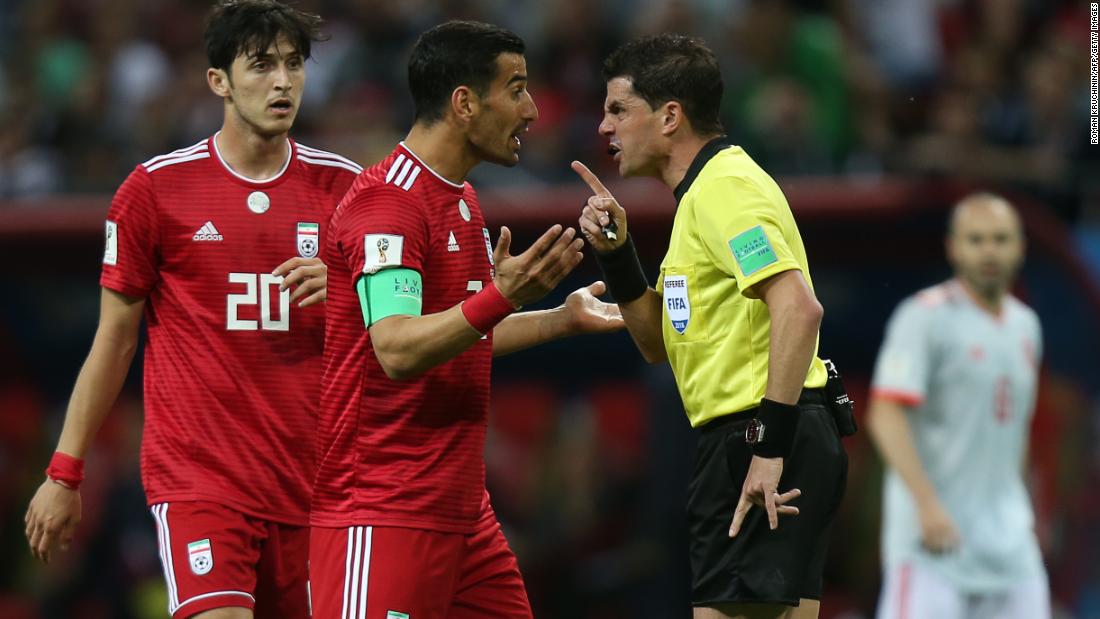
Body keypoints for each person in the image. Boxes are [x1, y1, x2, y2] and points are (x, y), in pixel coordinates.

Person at [23, 2, 361, 617]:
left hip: (321, 488)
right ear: (218, 82)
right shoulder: (155, 191)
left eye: (293, 65)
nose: (282, 81)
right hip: (202, 482)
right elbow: (114, 342)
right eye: (260, 65)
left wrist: (350, 287)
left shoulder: (349, 190)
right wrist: (64, 472)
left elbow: (396, 330)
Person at [308, 20, 624, 619]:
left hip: (462, 516)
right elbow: (397, 349)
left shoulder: (460, 198)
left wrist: (560, 319)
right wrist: (501, 296)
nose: (532, 109)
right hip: (382, 512)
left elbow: (461, 334)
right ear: (463, 103)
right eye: (516, 88)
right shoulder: (388, 206)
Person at [572, 34, 850, 619]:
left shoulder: (725, 189)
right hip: (768, 433)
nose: (604, 127)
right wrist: (618, 255)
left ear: (670, 116)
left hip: (760, 435)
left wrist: (769, 446)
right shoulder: (701, 198)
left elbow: (799, 308)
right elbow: (655, 345)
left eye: (618, 109)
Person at [867, 193, 1049, 619]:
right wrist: (926, 505)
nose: (989, 250)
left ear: (1020, 246)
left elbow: (1015, 427)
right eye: (976, 239)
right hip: (934, 543)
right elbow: (885, 413)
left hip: (1008, 545)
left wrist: (1025, 504)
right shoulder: (925, 317)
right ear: (953, 247)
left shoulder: (1026, 326)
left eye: (1001, 239)